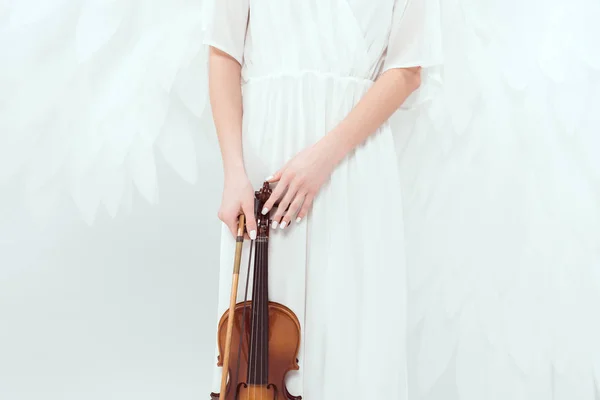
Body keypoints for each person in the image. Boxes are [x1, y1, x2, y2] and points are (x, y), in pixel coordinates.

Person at [204, 0, 442, 397]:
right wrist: (233, 172)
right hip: (266, 170)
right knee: (261, 351)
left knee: (352, 333)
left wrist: (323, 158)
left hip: (353, 164)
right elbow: (223, 51)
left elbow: (407, 70)